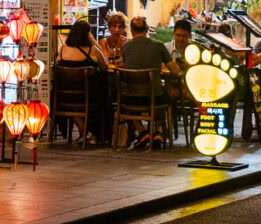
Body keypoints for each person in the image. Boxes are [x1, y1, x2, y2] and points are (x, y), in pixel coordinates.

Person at [121, 17, 181, 148]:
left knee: (126, 100)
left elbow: (125, 65)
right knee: (164, 95)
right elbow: (175, 71)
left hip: (130, 98)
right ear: (147, 29)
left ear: (131, 31)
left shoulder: (125, 46)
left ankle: (143, 133)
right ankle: (158, 132)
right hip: (154, 98)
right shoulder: (159, 45)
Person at [55, 19, 109, 141]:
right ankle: (87, 132)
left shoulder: (63, 49)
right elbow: (105, 67)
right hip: (90, 96)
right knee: (104, 95)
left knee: (72, 104)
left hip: (64, 97)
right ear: (87, 34)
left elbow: (57, 64)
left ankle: (84, 132)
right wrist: (95, 42)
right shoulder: (93, 50)